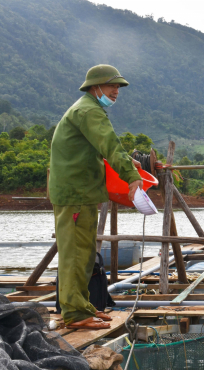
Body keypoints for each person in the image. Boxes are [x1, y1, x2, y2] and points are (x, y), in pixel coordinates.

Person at [49, 64, 143, 329]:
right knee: (75, 255)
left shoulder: (86, 109)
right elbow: (109, 144)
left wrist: (126, 165)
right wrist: (131, 175)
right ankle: (76, 314)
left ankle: (82, 305)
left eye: (119, 87)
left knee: (84, 255)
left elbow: (92, 155)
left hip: (81, 193)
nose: (116, 91)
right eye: (112, 85)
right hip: (75, 194)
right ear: (95, 86)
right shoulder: (89, 111)